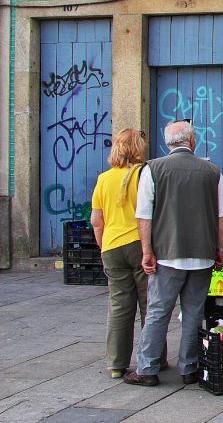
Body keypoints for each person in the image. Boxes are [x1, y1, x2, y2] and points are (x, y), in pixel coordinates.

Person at [124, 120, 223, 387]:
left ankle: (147, 368)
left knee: (158, 311)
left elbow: (144, 215)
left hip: (166, 254)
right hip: (202, 253)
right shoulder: (212, 170)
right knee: (194, 311)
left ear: (167, 143)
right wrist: (220, 248)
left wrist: (147, 251)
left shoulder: (152, 169)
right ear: (192, 141)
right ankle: (189, 368)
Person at [90, 129, 149, 379]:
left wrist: (104, 247)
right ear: (138, 148)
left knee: (119, 306)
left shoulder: (103, 179)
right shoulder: (143, 174)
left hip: (112, 246)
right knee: (149, 306)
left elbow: (97, 220)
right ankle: (151, 359)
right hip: (139, 244)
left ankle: (116, 364)